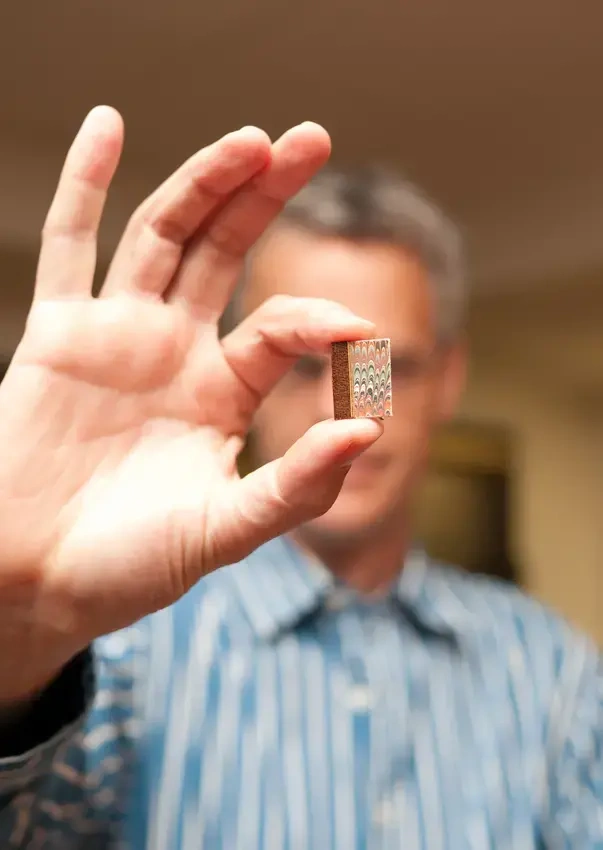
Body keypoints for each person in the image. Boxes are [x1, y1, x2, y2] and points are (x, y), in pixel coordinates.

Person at [0, 105, 600, 850]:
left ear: (448, 380)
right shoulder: (117, 649)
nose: (339, 418)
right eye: (303, 365)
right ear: (244, 370)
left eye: (380, 369)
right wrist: (20, 636)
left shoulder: (551, 674)